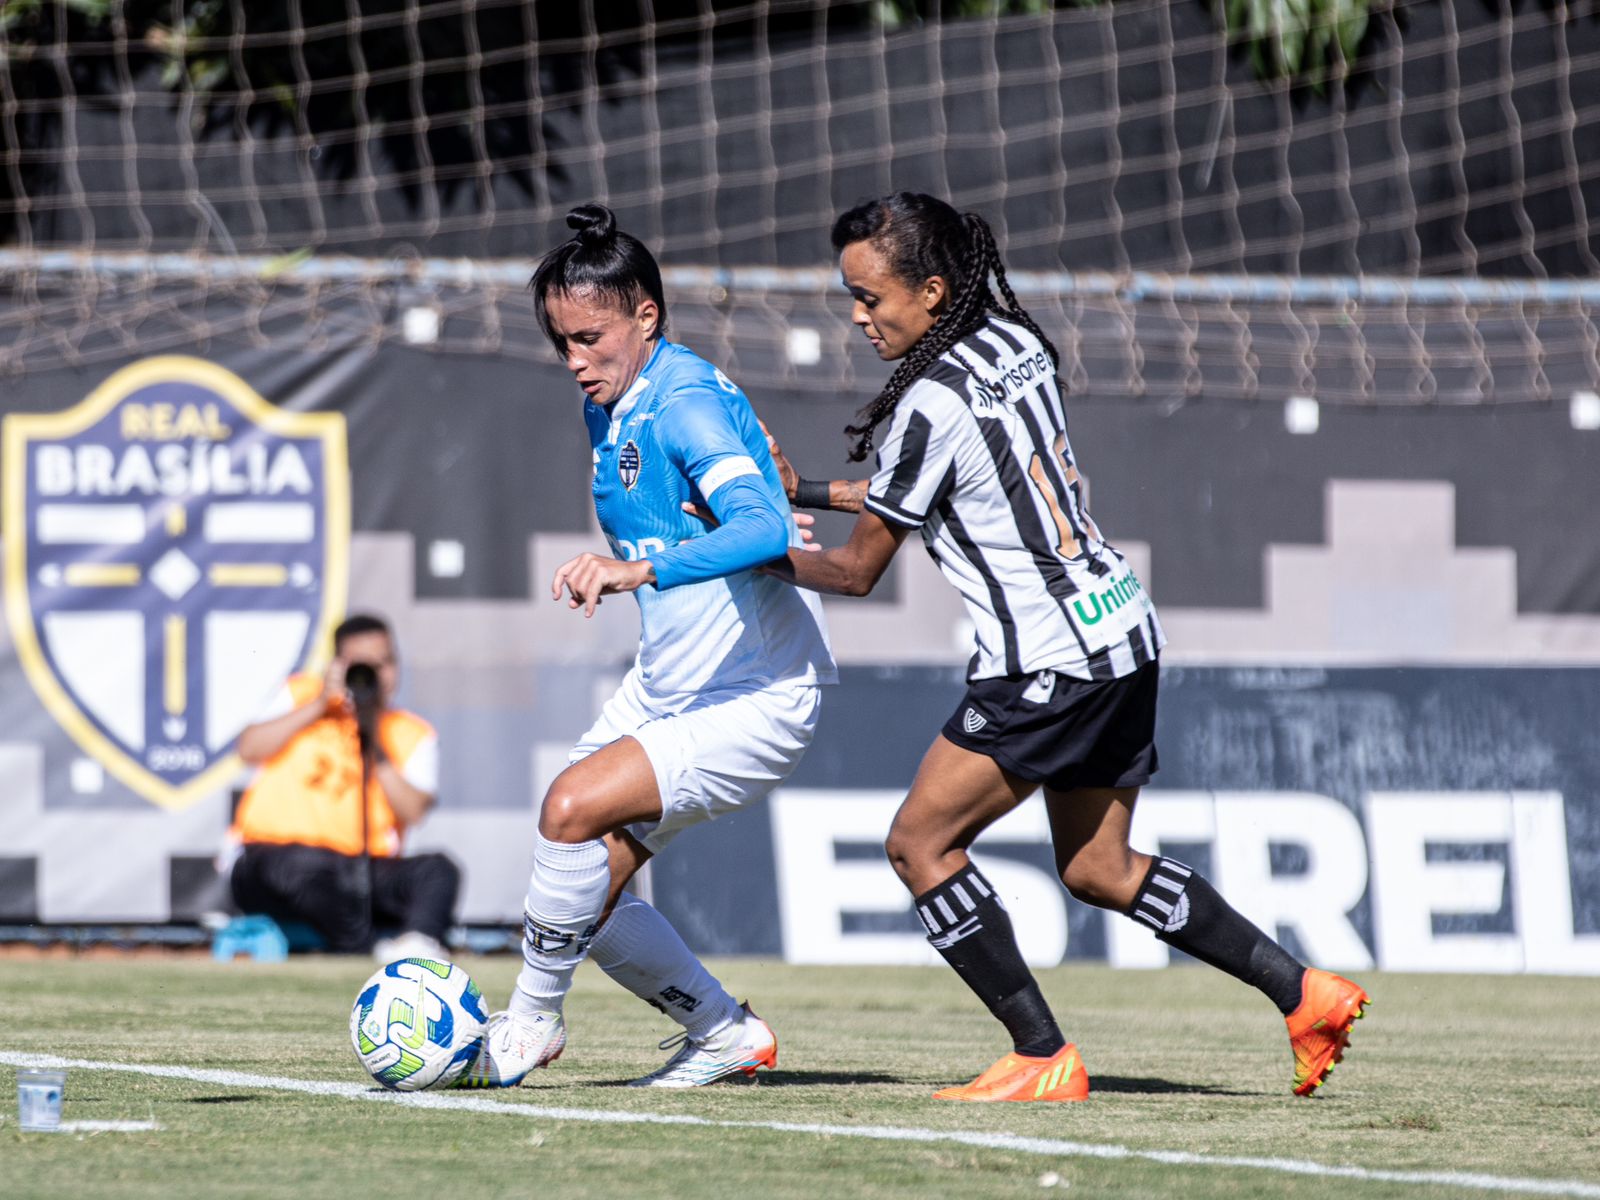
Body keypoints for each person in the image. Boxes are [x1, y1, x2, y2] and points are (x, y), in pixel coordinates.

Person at [761, 191, 1369, 1103]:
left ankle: (1042, 1053)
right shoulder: (1008, 343)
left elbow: (854, 575)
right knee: (1098, 869)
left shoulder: (928, 401)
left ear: (930, 291)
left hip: (1046, 662)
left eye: (869, 298)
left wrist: (740, 548)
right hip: (1124, 633)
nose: (857, 317)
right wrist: (805, 488)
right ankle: (1304, 993)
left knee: (919, 845)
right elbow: (930, 486)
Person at [456, 203, 836, 1090]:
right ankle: (725, 1035)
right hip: (675, 683)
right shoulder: (616, 406)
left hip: (756, 692)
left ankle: (532, 1023)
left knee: (567, 807)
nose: (576, 361)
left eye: (590, 338)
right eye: (562, 344)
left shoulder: (685, 401)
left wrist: (641, 572)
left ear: (646, 317)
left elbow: (763, 523)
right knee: (587, 895)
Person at [229, 613, 459, 961]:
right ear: (337, 665)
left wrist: (372, 737)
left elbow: (414, 810)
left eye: (385, 662)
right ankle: (369, 951)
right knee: (300, 869)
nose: (376, 674)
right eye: (362, 665)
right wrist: (322, 702)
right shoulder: (300, 694)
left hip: (360, 869)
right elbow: (249, 748)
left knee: (438, 870)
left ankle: (417, 946)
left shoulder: (412, 732)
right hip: (277, 860)